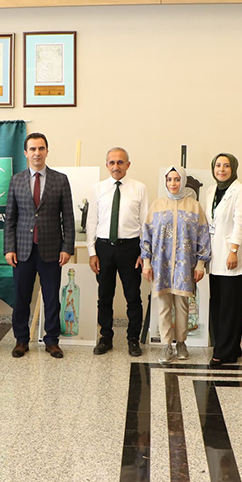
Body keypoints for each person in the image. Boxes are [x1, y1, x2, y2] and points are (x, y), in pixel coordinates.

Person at [4, 132, 74, 359]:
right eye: (32, 149)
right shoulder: (16, 180)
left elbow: (68, 217)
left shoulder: (60, 179)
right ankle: (21, 340)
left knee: (52, 298)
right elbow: (10, 218)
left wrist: (67, 247)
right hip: (22, 250)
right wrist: (9, 248)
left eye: (41, 148)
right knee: (21, 297)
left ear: (47, 151)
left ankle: (52, 340)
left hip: (51, 249)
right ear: (25, 153)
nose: (37, 153)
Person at [142, 166, 211, 364]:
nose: (173, 183)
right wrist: (146, 262)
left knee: (182, 305)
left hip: (184, 265)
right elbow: (147, 235)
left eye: (177, 179)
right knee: (163, 305)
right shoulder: (156, 206)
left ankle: (181, 342)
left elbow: (203, 236)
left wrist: (200, 264)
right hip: (160, 264)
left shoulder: (194, 206)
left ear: (183, 181)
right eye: (169, 179)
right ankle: (166, 345)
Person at [87, 147, 149, 357]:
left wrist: (144, 253)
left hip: (130, 248)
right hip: (104, 248)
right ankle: (105, 337)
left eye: (120, 162)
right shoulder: (98, 188)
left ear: (128, 165)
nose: (116, 166)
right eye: (112, 162)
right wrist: (92, 252)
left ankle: (133, 339)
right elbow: (92, 222)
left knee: (133, 296)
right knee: (104, 296)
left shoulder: (139, 188)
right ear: (107, 165)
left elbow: (145, 223)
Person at [206, 153, 242, 366]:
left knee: (230, 306)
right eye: (218, 165)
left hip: (232, 254)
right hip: (215, 255)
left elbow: (241, 222)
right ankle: (230, 346)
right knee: (218, 303)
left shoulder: (241, 190)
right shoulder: (211, 191)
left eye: (226, 166)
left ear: (233, 168)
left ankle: (224, 353)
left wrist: (234, 250)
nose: (221, 169)